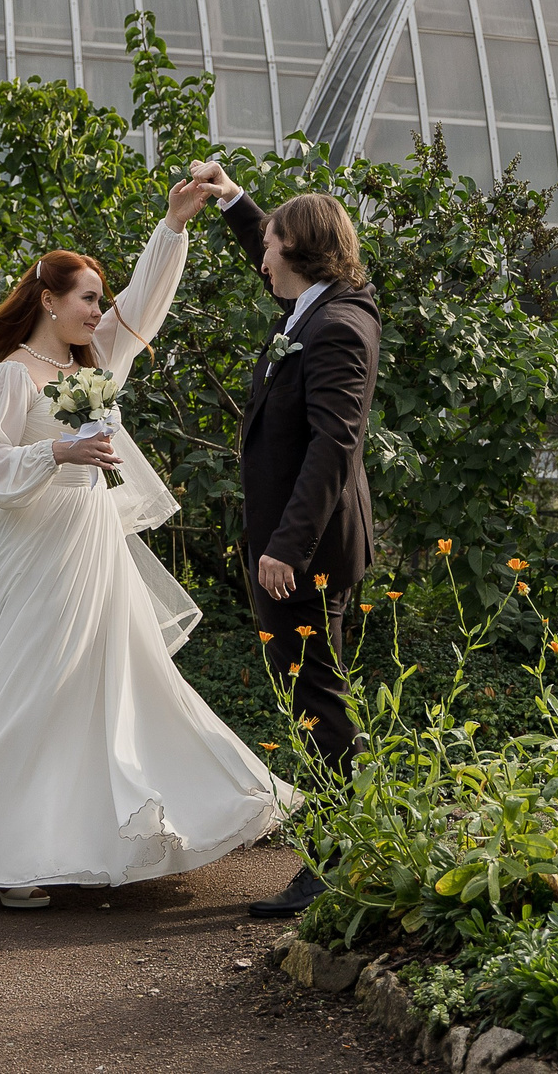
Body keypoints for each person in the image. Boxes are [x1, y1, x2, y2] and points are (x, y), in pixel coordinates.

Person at [0, 174, 291, 908]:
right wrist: (57, 452)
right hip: (36, 552)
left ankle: (61, 841)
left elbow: (145, 304)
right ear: (48, 299)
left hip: (95, 546)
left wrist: (173, 225)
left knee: (106, 690)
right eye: (88, 299)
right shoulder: (11, 377)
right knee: (29, 691)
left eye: (100, 301)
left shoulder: (93, 364)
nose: (99, 311)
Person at [185, 163, 381, 920]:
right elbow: (270, 255)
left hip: (307, 556)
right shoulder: (319, 305)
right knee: (314, 694)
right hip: (298, 548)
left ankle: (333, 866)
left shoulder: (337, 330)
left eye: (269, 244)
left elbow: (334, 446)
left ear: (298, 251)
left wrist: (287, 547)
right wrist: (234, 201)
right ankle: (349, 848)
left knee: (318, 701)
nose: (261, 258)